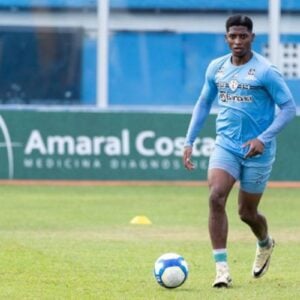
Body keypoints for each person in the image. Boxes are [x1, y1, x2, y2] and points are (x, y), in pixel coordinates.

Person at [183, 15, 296, 288]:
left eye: (242, 36)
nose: (237, 41)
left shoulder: (266, 71)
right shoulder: (216, 68)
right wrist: (189, 141)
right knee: (215, 197)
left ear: (252, 38)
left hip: (258, 150)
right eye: (232, 36)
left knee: (247, 213)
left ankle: (265, 243)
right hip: (226, 145)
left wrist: (263, 138)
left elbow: (289, 108)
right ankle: (221, 270)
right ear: (226, 38)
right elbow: (203, 103)